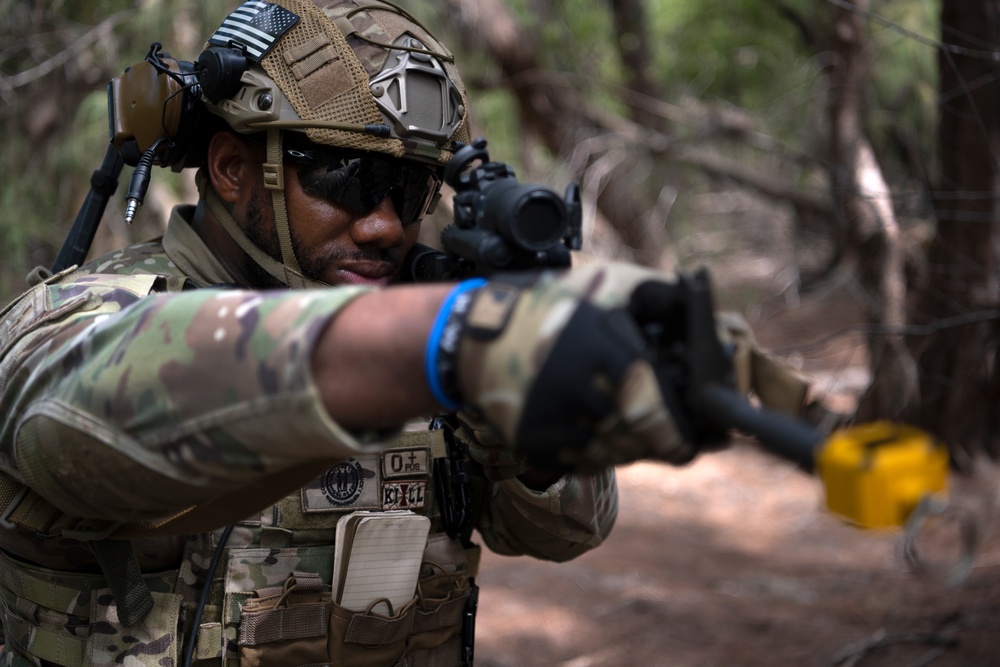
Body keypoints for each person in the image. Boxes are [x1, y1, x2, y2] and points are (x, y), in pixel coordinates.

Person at [0, 1, 808, 666]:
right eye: (345, 178)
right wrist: (439, 343)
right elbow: (79, 412)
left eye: (408, 185)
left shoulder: (429, 308)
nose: (384, 223)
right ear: (232, 168)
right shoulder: (85, 316)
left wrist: (546, 424)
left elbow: (563, 530)